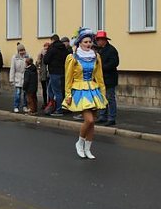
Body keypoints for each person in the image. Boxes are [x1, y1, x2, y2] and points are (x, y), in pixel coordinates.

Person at [63, 28, 107, 159]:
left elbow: (99, 76)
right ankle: (79, 142)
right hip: (79, 90)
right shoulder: (73, 57)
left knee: (93, 122)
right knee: (89, 120)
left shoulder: (96, 56)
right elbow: (68, 77)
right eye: (85, 41)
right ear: (80, 43)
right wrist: (68, 94)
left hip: (93, 90)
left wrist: (102, 92)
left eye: (90, 41)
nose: (88, 44)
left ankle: (88, 149)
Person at [94, 31, 119, 126]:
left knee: (110, 98)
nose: (98, 42)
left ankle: (112, 118)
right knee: (102, 98)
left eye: (99, 40)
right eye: (97, 40)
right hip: (101, 79)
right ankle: (102, 116)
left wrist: (101, 68)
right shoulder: (100, 50)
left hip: (109, 78)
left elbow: (114, 63)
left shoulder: (111, 50)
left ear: (104, 40)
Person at [43, 34, 67, 116]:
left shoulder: (52, 48)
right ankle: (52, 105)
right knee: (51, 89)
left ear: (52, 40)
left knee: (57, 92)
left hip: (54, 72)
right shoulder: (64, 48)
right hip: (63, 72)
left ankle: (59, 109)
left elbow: (46, 60)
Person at [9, 43, 27, 113]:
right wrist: (11, 79)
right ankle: (16, 106)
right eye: (21, 51)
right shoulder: (15, 58)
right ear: (18, 51)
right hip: (18, 77)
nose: (22, 52)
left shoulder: (27, 56)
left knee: (25, 93)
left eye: (23, 50)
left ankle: (25, 106)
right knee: (18, 93)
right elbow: (12, 69)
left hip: (25, 78)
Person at [37, 41, 50, 108]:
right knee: (44, 90)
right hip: (43, 74)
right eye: (45, 48)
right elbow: (37, 63)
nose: (46, 49)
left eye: (47, 48)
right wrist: (39, 57)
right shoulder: (41, 54)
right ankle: (45, 103)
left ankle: (50, 103)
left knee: (50, 90)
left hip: (49, 74)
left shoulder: (51, 54)